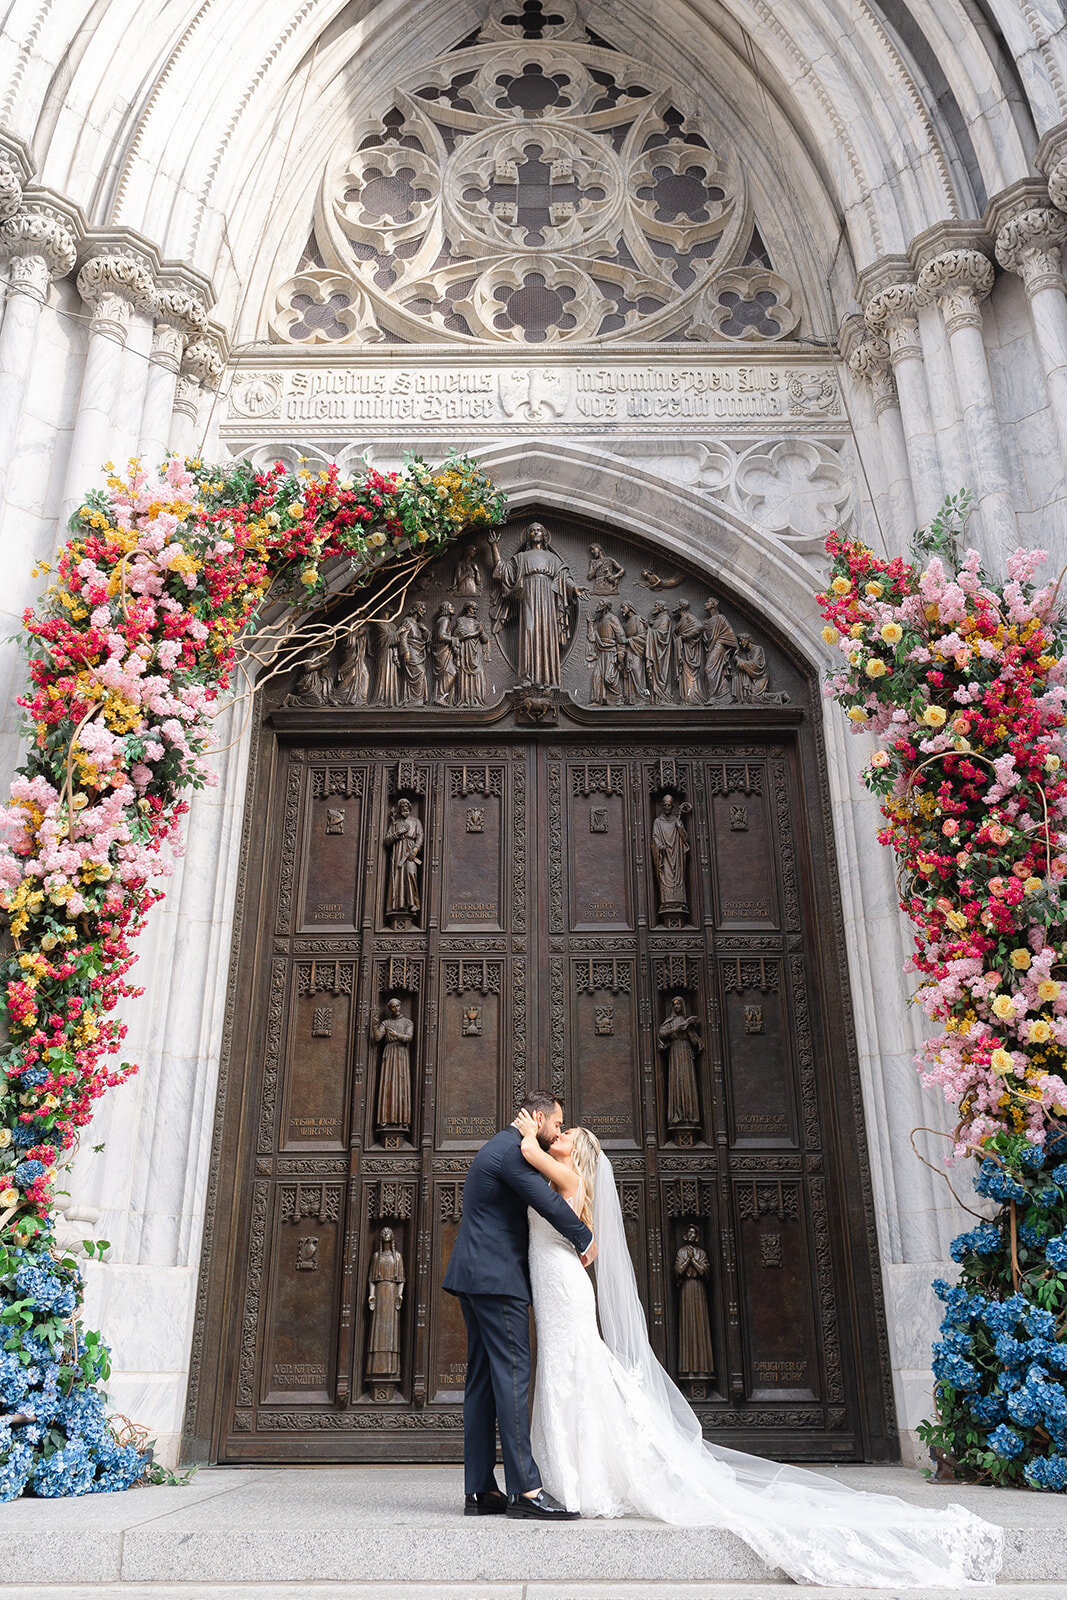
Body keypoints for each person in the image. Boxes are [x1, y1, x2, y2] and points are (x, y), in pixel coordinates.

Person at [513, 1116, 1004, 1589]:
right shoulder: (568, 1179)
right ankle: (574, 1473)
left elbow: (530, 1152)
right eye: (562, 1126)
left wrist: (526, 1130)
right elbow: (591, 1247)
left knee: (572, 1369)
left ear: (577, 1151)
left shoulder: (567, 1170)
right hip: (561, 1283)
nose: (561, 1131)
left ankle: (575, 1478)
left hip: (563, 1287)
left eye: (568, 1131)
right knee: (571, 1369)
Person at [442, 1091, 597, 1522]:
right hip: (497, 1281)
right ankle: (526, 1490)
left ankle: (480, 1490)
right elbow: (548, 1202)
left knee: (482, 1382)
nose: (558, 1131)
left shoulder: (502, 1146)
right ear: (541, 1117)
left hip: (475, 1277)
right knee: (512, 1378)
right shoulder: (512, 1152)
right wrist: (584, 1238)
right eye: (558, 1122)